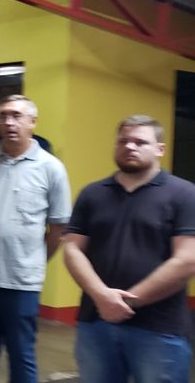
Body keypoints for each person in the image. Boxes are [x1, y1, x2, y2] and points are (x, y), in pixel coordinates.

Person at [62, 115, 195, 383]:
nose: (130, 147)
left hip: (159, 329)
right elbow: (72, 249)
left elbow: (187, 259)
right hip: (96, 322)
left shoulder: (184, 194)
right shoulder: (92, 194)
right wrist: (101, 296)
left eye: (140, 142)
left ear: (160, 149)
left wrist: (127, 302)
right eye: (123, 141)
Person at [0, 94, 71, 383]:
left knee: (21, 353)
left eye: (17, 115)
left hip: (20, 282)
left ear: (33, 121)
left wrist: (31, 261)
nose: (9, 122)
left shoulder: (51, 168)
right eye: (3, 116)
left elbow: (58, 229)